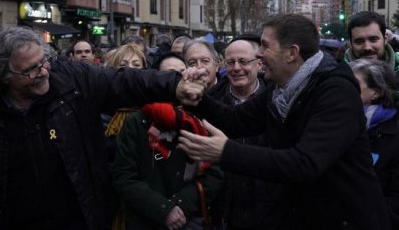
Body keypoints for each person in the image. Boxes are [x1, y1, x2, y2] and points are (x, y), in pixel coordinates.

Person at [178, 13, 391, 229]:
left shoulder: (336, 91)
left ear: (292, 53)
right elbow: (237, 121)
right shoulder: (282, 89)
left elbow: (305, 163)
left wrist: (226, 152)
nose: (258, 54)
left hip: (347, 220)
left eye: (265, 46)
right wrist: (198, 99)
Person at [0, 27, 203, 230]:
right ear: (4, 75)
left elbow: (125, 81)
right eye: (31, 70)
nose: (43, 72)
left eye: (43, 62)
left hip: (81, 219)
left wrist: (175, 85)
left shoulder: (75, 79)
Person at [112, 53, 223, 230]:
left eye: (182, 73)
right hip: (146, 220)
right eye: (170, 75)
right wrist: (163, 209)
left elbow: (215, 171)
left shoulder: (200, 118)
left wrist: (182, 205)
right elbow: (124, 176)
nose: (178, 80)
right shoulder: (137, 121)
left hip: (190, 219)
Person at [209, 34, 279, 229]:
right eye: (230, 62)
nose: (237, 68)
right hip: (224, 208)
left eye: (243, 61)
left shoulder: (279, 101)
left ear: (259, 64)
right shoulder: (211, 104)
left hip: (270, 207)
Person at [349, 59, 399, 228]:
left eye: (353, 85)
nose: (345, 89)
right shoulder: (336, 123)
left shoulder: (394, 134)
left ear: (376, 92)